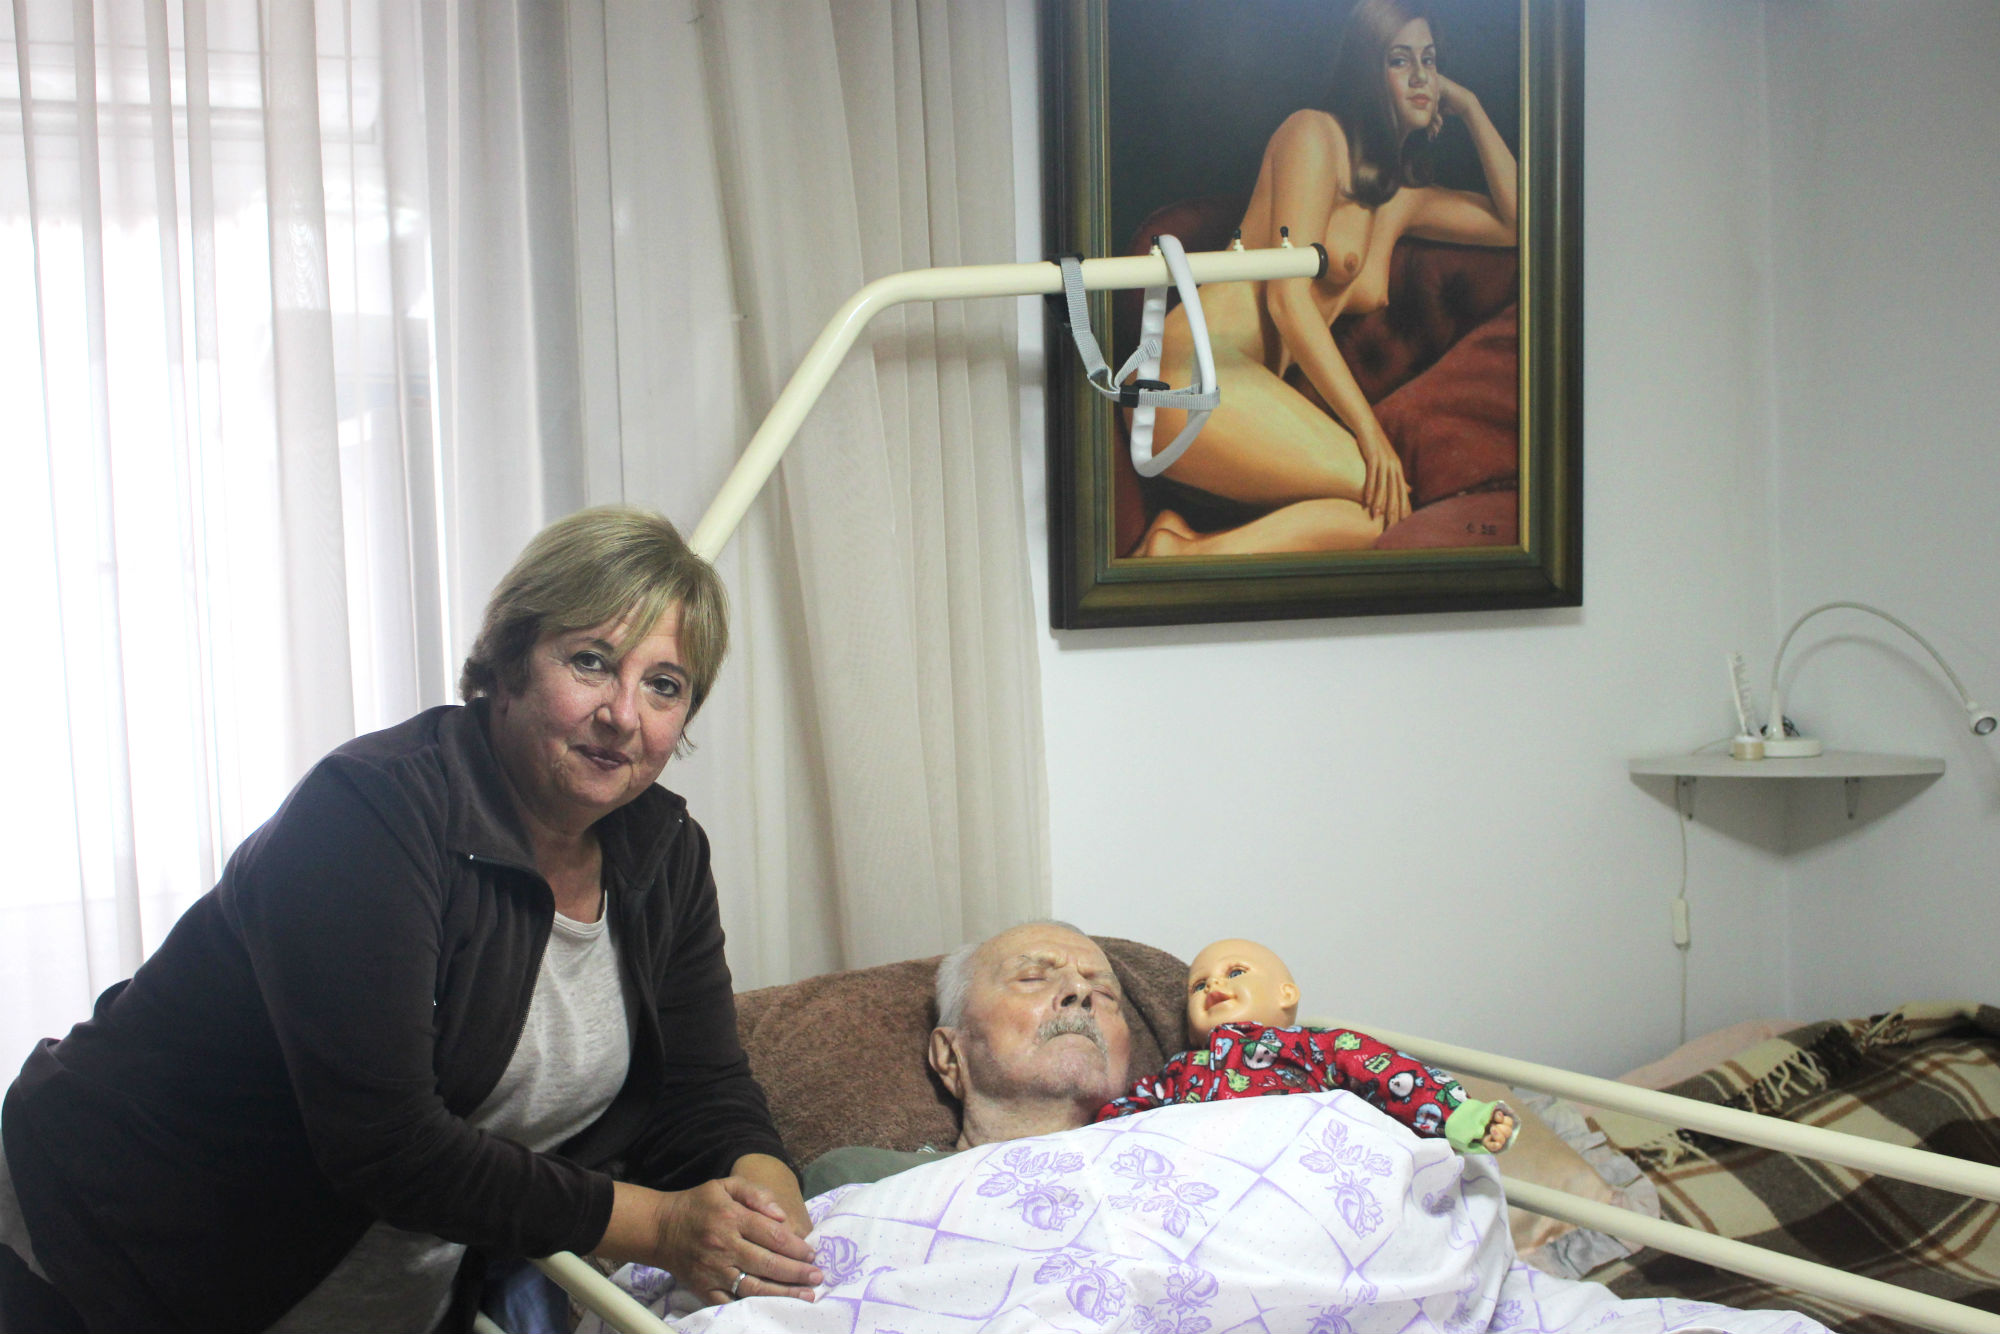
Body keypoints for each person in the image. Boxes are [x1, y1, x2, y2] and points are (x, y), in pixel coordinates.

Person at [0, 507, 822, 1333]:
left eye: (664, 685)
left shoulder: (665, 853)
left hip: (376, 1299)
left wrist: (768, 1207)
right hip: (112, 1250)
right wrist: (664, 1226)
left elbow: (701, 1087)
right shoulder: (369, 813)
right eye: (590, 662)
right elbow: (387, 1144)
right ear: (508, 662)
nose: (623, 714)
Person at [1136, 0, 1518, 556]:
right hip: (1189, 371)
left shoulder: (1402, 200)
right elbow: (1287, 300)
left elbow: (1520, 223)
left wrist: (1472, 108)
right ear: (1368, 71)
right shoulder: (1313, 135)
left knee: (1379, 516)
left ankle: (1182, 547)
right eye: (1399, 60)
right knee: (1381, 495)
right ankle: (1179, 550)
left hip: (1241, 390)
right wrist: (1370, 433)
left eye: (1430, 61)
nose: (1421, 76)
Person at [800, 922, 1133, 1197]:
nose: (1080, 990)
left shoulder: (1162, 1150)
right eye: (1032, 978)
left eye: (1105, 993)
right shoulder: (863, 1182)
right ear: (949, 1056)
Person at [1096, 938, 1517, 1155]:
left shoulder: (1314, 1046)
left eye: (1236, 972)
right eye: (1199, 985)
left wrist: (1460, 1115)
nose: (1215, 984)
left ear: (1286, 994)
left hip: (1300, 1165)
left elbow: (1389, 1074)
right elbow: (1124, 1118)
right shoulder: (1179, 1072)